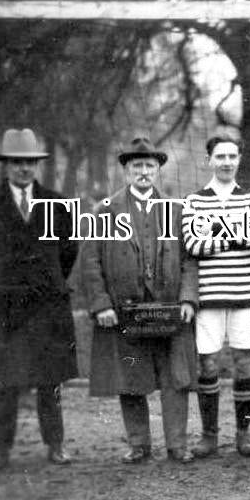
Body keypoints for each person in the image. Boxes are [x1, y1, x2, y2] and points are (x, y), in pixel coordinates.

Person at [0, 128, 79, 470]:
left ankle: (55, 444)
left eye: (29, 162)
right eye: (17, 162)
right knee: (4, 381)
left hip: (46, 305)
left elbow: (68, 252)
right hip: (4, 309)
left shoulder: (57, 203)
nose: (23, 169)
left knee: (49, 381)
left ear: (37, 166)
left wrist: (48, 280)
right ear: (5, 165)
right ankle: (0, 449)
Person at [81, 137, 199, 464]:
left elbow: (190, 260)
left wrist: (188, 299)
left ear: (158, 170)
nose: (143, 172)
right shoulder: (104, 211)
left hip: (169, 312)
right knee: (130, 378)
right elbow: (90, 262)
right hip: (123, 313)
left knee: (176, 379)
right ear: (126, 171)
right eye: (137, 166)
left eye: (149, 166)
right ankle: (139, 444)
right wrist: (102, 304)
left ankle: (177, 445)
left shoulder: (175, 211)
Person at [181, 135, 250, 458]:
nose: (227, 162)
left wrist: (213, 232)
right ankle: (209, 435)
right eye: (220, 156)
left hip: (245, 294)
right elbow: (192, 243)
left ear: (239, 159)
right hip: (209, 296)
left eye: (232, 156)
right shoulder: (194, 200)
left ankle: (243, 433)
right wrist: (234, 233)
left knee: (245, 362)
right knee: (209, 363)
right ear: (209, 160)